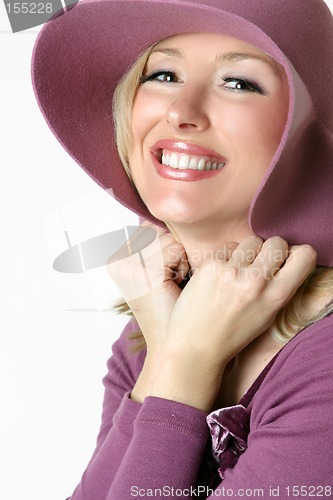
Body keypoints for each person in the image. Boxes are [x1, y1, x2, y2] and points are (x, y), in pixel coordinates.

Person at [31, 0, 333, 498]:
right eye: (164, 74)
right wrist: (171, 355)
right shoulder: (151, 327)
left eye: (239, 82)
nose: (180, 110)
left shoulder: (323, 358)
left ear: (301, 130)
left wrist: (184, 361)